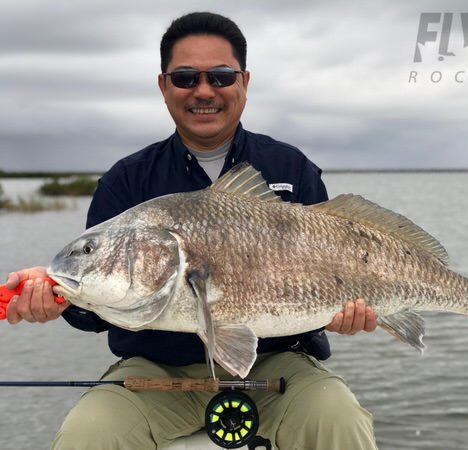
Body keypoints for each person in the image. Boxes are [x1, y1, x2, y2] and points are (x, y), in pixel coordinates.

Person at [6, 12, 378, 450]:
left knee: (339, 419)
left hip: (279, 367)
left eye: (221, 76)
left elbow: (334, 273)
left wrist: (350, 315)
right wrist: (57, 296)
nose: (204, 91)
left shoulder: (290, 167)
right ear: (164, 86)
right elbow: (98, 308)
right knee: (87, 434)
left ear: (244, 81)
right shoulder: (126, 181)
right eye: (185, 77)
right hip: (154, 373)